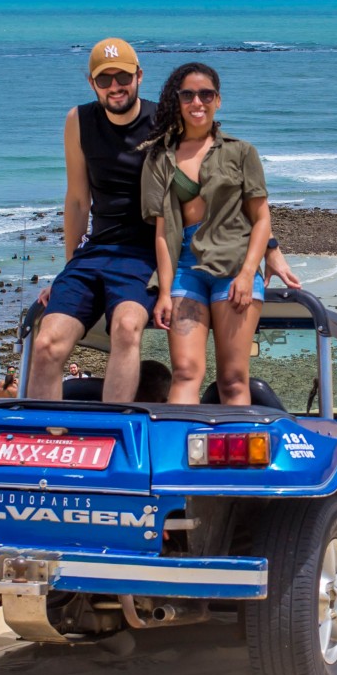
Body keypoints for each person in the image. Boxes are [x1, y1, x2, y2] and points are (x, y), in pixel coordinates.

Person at [29, 38, 301, 404]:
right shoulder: (78, 121)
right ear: (92, 83)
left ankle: (115, 441)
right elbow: (78, 200)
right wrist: (68, 270)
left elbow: (221, 181)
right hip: (107, 253)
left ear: (139, 76)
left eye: (122, 76)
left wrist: (270, 249)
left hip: (148, 255)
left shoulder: (165, 122)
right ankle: (44, 441)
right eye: (104, 79)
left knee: (131, 330)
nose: (115, 86)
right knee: (47, 341)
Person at [142, 63, 272, 406]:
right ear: (178, 100)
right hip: (185, 266)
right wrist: (165, 292)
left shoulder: (241, 152)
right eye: (188, 94)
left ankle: (237, 459)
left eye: (206, 94)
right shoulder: (160, 156)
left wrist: (247, 275)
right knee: (185, 372)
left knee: (232, 379)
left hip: (233, 265)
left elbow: (261, 219)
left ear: (218, 101)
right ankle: (178, 456)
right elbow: (162, 232)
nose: (197, 101)